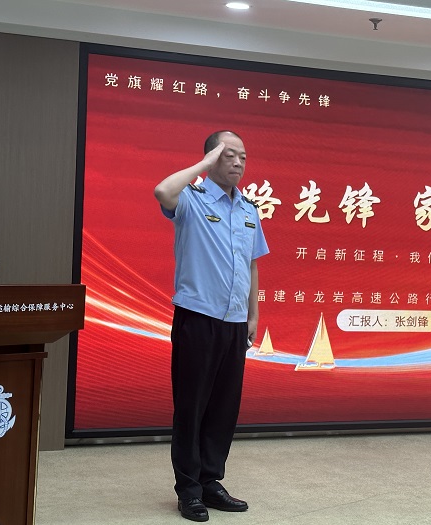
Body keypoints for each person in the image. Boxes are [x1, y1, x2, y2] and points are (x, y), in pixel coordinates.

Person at [154, 130, 269, 522]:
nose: (238, 162)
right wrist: (204, 164)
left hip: (235, 323)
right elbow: (162, 191)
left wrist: (253, 315)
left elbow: (252, 265)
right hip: (197, 318)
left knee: (223, 408)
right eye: (228, 154)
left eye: (243, 157)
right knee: (192, 406)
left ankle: (210, 482)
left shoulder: (249, 209)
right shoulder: (192, 199)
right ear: (212, 157)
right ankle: (188, 490)